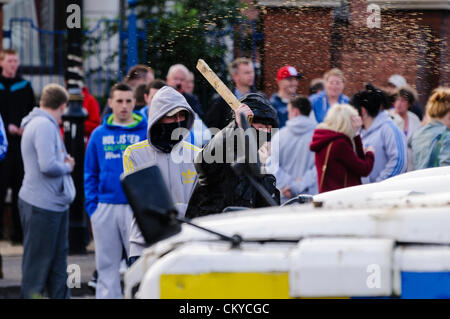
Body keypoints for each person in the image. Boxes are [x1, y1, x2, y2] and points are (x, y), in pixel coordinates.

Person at [123, 85, 200, 264]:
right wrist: (183, 210)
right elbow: (146, 204)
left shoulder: (197, 154)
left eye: (182, 116)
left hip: (184, 243)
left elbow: (200, 204)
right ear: (157, 117)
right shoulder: (134, 154)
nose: (178, 121)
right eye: (172, 116)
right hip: (144, 245)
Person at [84, 83, 148, 299]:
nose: (124, 106)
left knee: (139, 265)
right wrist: (93, 207)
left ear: (134, 103)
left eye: (128, 101)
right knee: (106, 267)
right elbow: (90, 172)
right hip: (106, 207)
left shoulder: (147, 132)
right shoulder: (98, 135)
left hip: (137, 208)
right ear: (110, 103)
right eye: (119, 101)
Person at [18, 84, 75, 298]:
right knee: (38, 267)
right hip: (42, 206)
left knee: (57, 264)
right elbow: (48, 165)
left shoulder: (40, 123)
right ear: (62, 106)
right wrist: (68, 166)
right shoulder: (44, 126)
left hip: (50, 205)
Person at [185, 93, 280, 218]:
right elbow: (203, 161)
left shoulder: (260, 164)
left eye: (269, 128)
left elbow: (268, 209)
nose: (266, 132)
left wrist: (264, 175)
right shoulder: (223, 151)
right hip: (209, 229)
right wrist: (236, 128)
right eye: (261, 126)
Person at [0, 48, 36, 243]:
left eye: (16, 61)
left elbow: (32, 111)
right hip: (2, 146)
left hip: (21, 147)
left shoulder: (25, 86)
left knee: (20, 190)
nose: (13, 64)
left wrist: (25, 127)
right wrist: (7, 127)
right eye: (10, 61)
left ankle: (19, 235)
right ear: (2, 63)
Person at [309, 104, 375, 193]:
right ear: (348, 122)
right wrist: (370, 154)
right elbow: (363, 169)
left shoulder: (324, 139)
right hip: (342, 195)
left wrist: (355, 134)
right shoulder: (340, 144)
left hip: (328, 194)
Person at [350, 84, 407, 183]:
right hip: (362, 195)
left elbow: (399, 163)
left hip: (383, 195)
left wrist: (377, 186)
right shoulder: (359, 132)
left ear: (363, 111)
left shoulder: (389, 129)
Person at [267, 95, 317, 202]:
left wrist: (289, 184)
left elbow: (272, 165)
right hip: (311, 196)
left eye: (288, 112)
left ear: (295, 112)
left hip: (286, 196)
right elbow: (319, 167)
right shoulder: (319, 135)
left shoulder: (279, 136)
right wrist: (299, 185)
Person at [204, 57, 258, 130]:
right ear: (235, 76)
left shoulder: (260, 98)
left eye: (252, 72)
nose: (251, 75)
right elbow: (212, 127)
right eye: (247, 73)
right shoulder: (222, 101)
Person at [412, 87, 450, 169]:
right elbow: (446, 172)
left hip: (421, 180)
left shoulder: (418, 134)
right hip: (438, 181)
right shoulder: (447, 136)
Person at [392, 85, 422, 171]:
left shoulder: (414, 119)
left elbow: (418, 143)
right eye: (397, 99)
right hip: (394, 167)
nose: (399, 103)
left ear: (409, 104)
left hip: (410, 167)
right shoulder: (389, 118)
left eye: (403, 100)